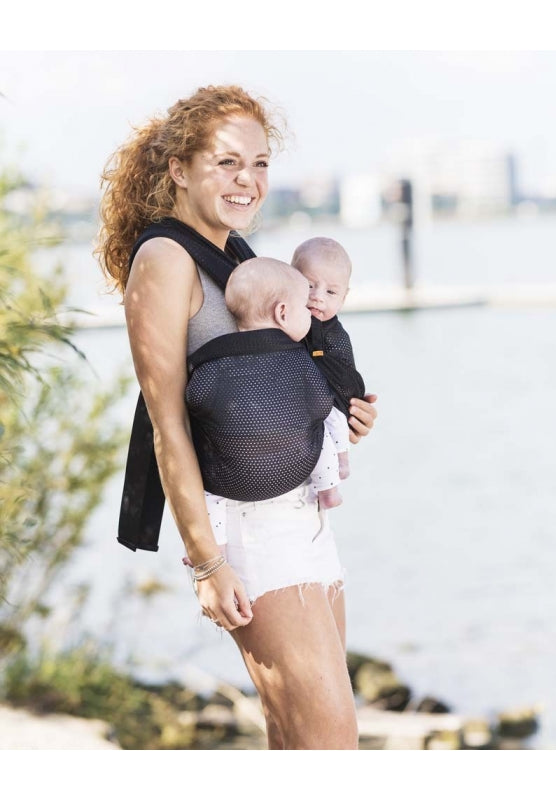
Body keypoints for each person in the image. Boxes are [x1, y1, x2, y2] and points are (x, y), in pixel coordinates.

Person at [96, 85, 378, 750]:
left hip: (304, 520)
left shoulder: (238, 257)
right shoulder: (163, 260)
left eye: (259, 163)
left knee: (300, 738)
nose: (247, 180)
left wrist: (342, 413)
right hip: (251, 531)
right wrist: (206, 563)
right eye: (227, 163)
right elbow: (167, 424)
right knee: (329, 743)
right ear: (179, 169)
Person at [196, 256, 350, 548]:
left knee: (207, 492)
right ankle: (329, 487)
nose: (309, 314)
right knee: (324, 423)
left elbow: (196, 398)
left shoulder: (216, 360)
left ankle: (215, 545)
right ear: (282, 313)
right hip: (292, 471)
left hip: (228, 478)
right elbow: (321, 402)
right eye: (304, 308)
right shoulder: (299, 360)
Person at [291, 236, 360, 508]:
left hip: (329, 402)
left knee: (333, 424)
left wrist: (350, 400)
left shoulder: (334, 334)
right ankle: (328, 487)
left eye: (331, 292)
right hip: (299, 410)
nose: (317, 296)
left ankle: (338, 470)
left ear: (344, 298)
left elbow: (345, 372)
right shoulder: (285, 319)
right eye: (309, 285)